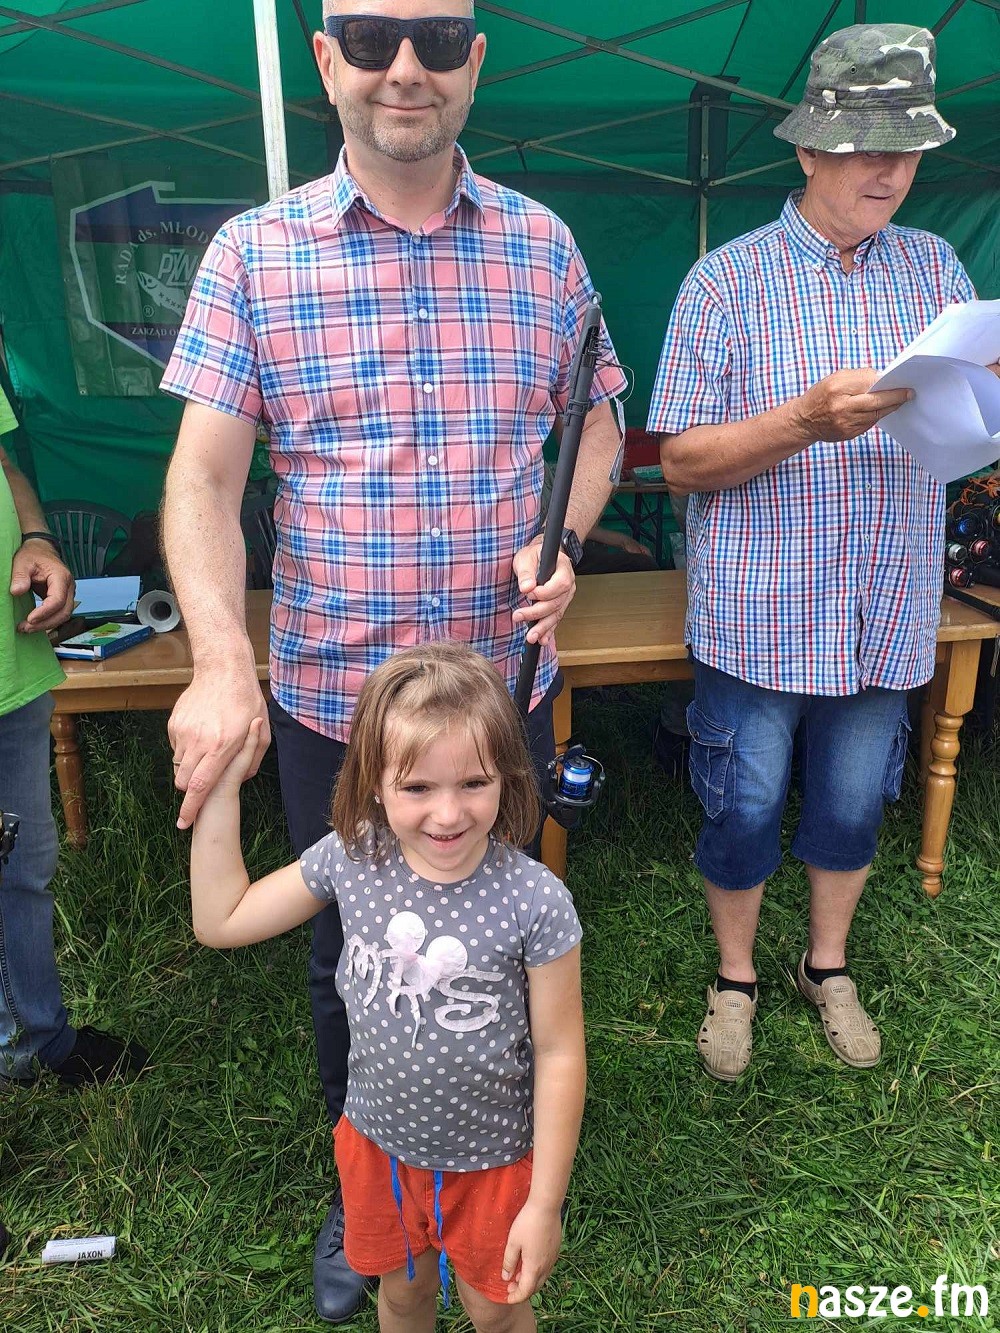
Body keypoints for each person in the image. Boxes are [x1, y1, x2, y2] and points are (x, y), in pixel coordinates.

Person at [159, 1, 623, 1316]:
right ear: (325, 63)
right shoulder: (254, 253)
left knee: (501, 937)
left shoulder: (544, 246)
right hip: (338, 705)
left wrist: (567, 537)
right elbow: (202, 479)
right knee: (345, 954)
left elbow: (599, 419)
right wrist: (219, 659)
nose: (403, 67)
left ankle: (503, 1167)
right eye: (368, 38)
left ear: (476, 60)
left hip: (497, 703)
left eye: (434, 38)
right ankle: (367, 1177)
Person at [648, 23, 985, 1082]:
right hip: (761, 612)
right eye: (863, 147)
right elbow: (680, 462)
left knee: (852, 802)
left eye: (907, 148)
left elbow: (963, 416)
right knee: (743, 805)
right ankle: (736, 976)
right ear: (805, 148)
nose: (888, 170)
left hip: (885, 601)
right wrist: (801, 420)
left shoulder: (935, 268)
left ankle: (824, 963)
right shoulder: (725, 282)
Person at [189, 642, 585, 1332]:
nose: (448, 814)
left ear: (508, 774)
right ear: (374, 782)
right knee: (401, 1296)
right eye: (417, 788)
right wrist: (220, 786)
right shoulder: (353, 857)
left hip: (491, 1163)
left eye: (474, 782)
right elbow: (222, 918)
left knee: (494, 1310)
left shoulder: (535, 901)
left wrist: (544, 1203)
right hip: (378, 1151)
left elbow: (559, 1053)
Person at [0, 390, 147, 1093]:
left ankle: (35, 1041)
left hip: (13, 660)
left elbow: (5, 463)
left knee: (26, 864)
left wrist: (37, 538)